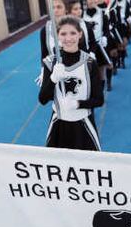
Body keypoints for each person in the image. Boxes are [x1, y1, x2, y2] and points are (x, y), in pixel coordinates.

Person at [38, 16, 104, 150]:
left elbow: (99, 100)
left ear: (80, 34)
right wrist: (53, 79)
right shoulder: (51, 63)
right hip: (59, 125)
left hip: (84, 124)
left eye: (73, 33)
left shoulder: (90, 62)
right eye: (63, 34)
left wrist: (78, 104)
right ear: (57, 36)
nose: (68, 38)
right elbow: (43, 99)